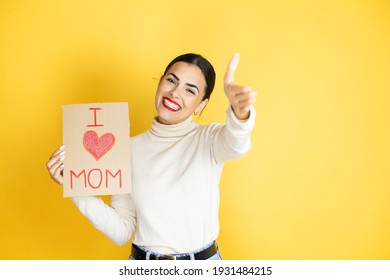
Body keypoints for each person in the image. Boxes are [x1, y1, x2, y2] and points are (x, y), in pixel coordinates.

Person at [46, 52, 256, 260]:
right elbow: (122, 230)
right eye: (171, 80)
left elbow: (236, 143)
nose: (174, 93)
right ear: (160, 82)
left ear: (201, 104)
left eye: (190, 90)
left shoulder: (209, 139)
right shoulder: (127, 149)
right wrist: (75, 187)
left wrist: (239, 113)